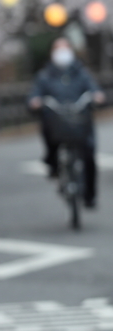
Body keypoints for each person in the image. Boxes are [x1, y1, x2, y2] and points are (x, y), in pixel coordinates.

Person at [28, 38, 106, 207]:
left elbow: (94, 89)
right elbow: (35, 94)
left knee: (88, 154)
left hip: (80, 120)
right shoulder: (45, 76)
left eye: (65, 48)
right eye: (58, 48)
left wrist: (97, 96)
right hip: (56, 120)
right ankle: (53, 166)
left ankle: (89, 195)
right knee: (50, 138)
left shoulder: (81, 73)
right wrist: (35, 101)